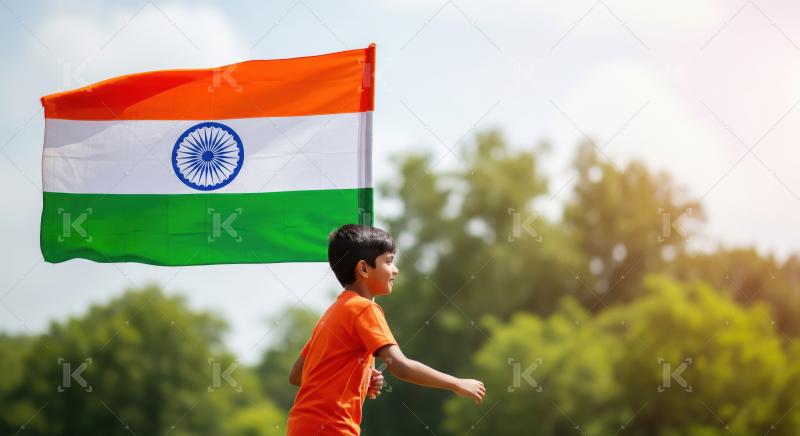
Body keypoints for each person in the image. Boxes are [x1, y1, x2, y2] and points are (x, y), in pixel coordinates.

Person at [286, 224, 486, 435]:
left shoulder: (333, 312)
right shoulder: (365, 308)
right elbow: (401, 367)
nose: (395, 270)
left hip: (301, 426)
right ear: (363, 269)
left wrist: (360, 376)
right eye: (389, 261)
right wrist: (456, 383)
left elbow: (297, 375)